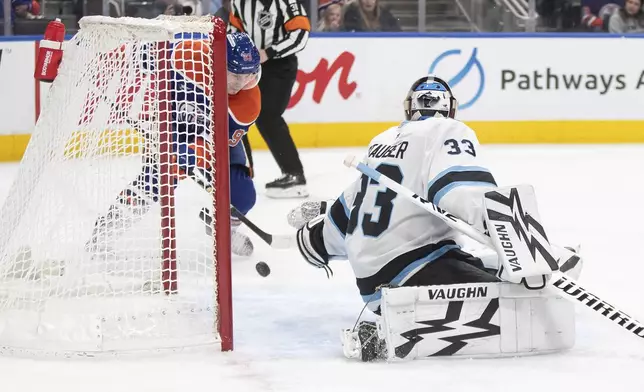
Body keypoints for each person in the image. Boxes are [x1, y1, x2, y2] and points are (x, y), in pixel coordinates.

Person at [288, 75, 583, 361]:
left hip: (372, 282)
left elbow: (354, 207)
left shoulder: (382, 141)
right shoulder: (448, 130)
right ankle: (401, 330)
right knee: (529, 301)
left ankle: (540, 260)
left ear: (410, 107)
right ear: (449, 108)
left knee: (474, 259)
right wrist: (521, 248)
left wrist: (316, 239)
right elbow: (462, 191)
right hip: (415, 269)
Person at [84, 32, 262, 257]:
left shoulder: (248, 102)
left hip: (216, 138)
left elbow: (215, 144)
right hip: (173, 125)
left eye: (249, 75)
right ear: (217, 61)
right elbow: (134, 55)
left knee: (243, 194)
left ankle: (223, 229)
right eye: (236, 75)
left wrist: (194, 152)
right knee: (154, 181)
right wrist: (94, 66)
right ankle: (104, 233)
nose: (242, 83)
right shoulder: (186, 54)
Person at [228, 0, 311, 198]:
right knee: (238, 117)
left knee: (268, 117)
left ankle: (294, 175)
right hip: (246, 68)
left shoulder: (286, 2)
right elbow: (233, 31)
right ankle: (241, 175)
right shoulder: (239, 2)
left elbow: (300, 34)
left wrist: (270, 52)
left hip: (279, 66)